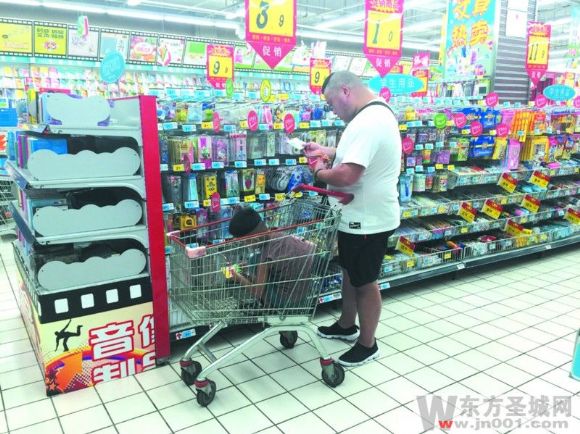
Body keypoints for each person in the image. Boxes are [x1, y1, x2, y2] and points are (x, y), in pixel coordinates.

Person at [306, 71, 401, 367]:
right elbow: (356, 154)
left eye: (331, 102)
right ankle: (347, 325)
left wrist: (318, 171)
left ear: (345, 91)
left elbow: (347, 175)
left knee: (365, 281)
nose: (332, 110)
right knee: (350, 271)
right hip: (356, 216)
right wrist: (327, 151)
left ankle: (367, 344)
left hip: (367, 220)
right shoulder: (372, 113)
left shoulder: (369, 122)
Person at [227, 207, 316, 308]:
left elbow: (258, 292)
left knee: (253, 261)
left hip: (286, 302)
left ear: (255, 239)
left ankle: (267, 305)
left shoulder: (264, 257)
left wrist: (238, 278)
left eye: (245, 242)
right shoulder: (280, 235)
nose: (245, 245)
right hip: (304, 294)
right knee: (254, 264)